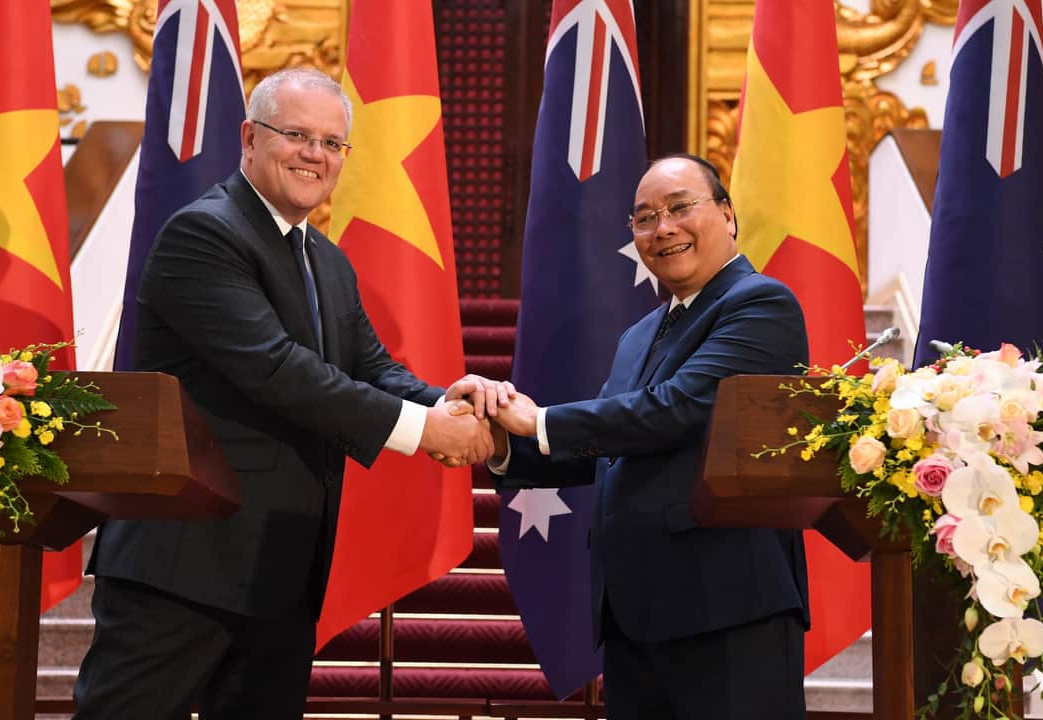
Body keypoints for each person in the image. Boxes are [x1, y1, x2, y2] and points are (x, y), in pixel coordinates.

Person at [73, 67, 498, 719]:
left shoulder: (325, 258)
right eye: (296, 135)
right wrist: (424, 431)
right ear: (249, 137)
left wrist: (453, 402)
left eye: (332, 143)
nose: (315, 155)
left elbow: (373, 368)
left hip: (280, 569)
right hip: (183, 565)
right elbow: (278, 370)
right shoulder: (206, 234)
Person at [489, 154, 812, 719]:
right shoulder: (641, 333)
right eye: (644, 218)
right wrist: (496, 445)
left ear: (728, 215)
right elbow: (618, 448)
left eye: (681, 207)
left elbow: (676, 410)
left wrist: (537, 420)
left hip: (728, 611)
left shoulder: (760, 303)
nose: (662, 228)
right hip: (636, 615)